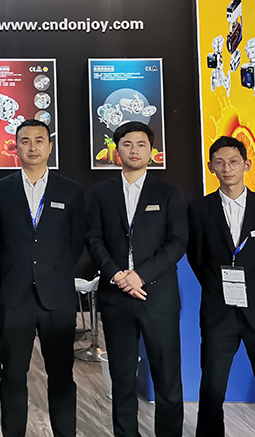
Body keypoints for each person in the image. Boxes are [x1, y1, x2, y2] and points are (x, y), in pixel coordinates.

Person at [85, 120, 188, 437]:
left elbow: (177, 242)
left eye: (141, 144)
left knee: (167, 378)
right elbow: (93, 239)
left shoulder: (169, 193)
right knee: (122, 378)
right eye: (127, 144)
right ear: (117, 151)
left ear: (152, 151)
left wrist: (140, 276)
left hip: (158, 297)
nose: (134, 150)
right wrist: (117, 275)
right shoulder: (101, 192)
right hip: (116, 297)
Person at [0, 119, 86, 437]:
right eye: (25, 141)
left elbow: (76, 240)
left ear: (49, 147)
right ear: (16, 147)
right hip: (16, 295)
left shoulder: (70, 190)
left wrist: (51, 269)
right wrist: (20, 266)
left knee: (61, 375)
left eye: (39, 140)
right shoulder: (1, 189)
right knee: (13, 375)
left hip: (57, 296)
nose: (32, 147)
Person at [187, 135, 255, 437]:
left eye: (233, 162)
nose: (227, 169)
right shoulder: (198, 210)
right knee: (212, 388)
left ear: (246, 164)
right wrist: (219, 289)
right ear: (211, 167)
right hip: (219, 312)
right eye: (219, 163)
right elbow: (197, 259)